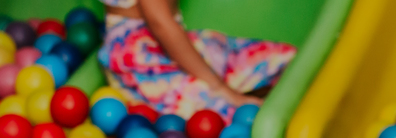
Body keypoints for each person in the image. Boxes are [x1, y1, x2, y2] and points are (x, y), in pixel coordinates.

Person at [97, 0, 296, 119]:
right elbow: (160, 23)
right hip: (138, 55)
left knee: (284, 58)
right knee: (234, 115)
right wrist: (221, 89)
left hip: (170, 39)